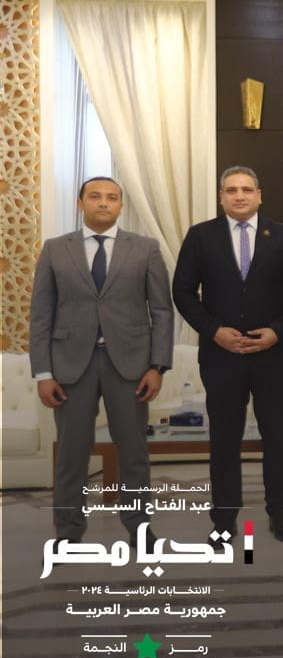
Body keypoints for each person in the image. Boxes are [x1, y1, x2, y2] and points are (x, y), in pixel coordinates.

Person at [29, 176, 173, 546]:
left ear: (121, 206)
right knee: (71, 456)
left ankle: (139, 530)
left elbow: (161, 311)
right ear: (80, 204)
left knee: (134, 453)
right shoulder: (55, 249)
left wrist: (157, 366)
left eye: (111, 197)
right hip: (70, 366)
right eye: (95, 197)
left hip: (130, 366)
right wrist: (43, 373)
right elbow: (41, 314)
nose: (104, 203)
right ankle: (68, 534)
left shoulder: (145, 248)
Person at [172, 166, 283, 542]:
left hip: (272, 356)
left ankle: (280, 514)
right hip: (221, 356)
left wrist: (277, 331)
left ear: (259, 196)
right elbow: (183, 292)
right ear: (221, 197)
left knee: (277, 439)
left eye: (247, 189)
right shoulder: (201, 236)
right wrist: (214, 331)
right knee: (224, 440)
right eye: (231, 190)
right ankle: (223, 520)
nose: (239, 196)